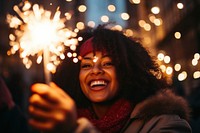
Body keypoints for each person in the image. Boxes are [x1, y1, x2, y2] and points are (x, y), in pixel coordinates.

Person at [28, 25, 192, 133]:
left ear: (127, 71)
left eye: (107, 63)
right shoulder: (57, 123)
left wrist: (75, 129)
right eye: (86, 66)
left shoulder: (165, 124)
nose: (96, 71)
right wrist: (9, 108)